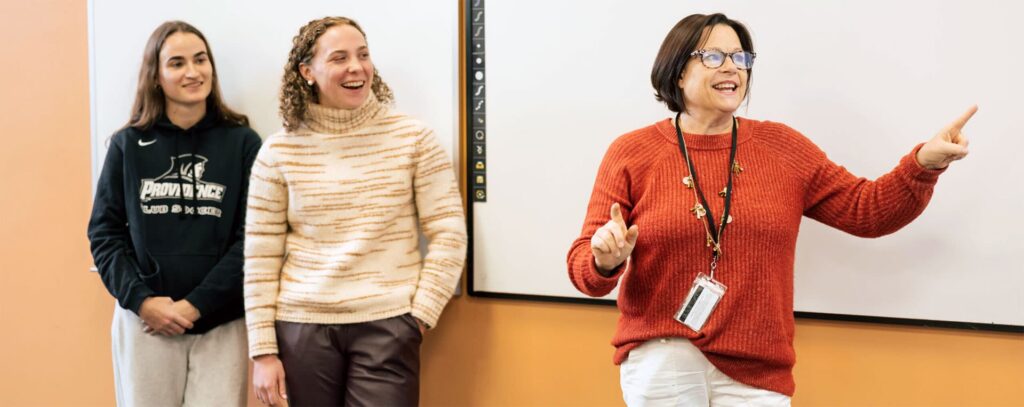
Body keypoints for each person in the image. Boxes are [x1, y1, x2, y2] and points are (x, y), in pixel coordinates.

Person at [566, 13, 974, 406]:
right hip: (664, 359)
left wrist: (925, 164)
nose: (732, 68)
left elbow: (866, 211)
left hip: (757, 368)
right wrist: (604, 261)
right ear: (677, 72)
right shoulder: (632, 153)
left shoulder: (781, 147)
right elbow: (585, 267)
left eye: (741, 58)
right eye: (713, 56)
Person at [244, 16, 468, 407]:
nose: (356, 67)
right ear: (307, 72)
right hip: (301, 327)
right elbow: (260, 256)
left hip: (388, 325)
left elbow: (450, 232)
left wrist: (419, 314)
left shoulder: (413, 139)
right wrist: (263, 350)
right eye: (339, 58)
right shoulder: (278, 152)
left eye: (363, 55)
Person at [87, 20, 261, 407]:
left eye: (200, 60)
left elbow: (252, 240)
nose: (193, 72)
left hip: (221, 322)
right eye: (177, 63)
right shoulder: (128, 145)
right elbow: (104, 234)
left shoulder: (242, 142)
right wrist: (143, 301)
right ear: (156, 76)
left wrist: (196, 304)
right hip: (146, 323)